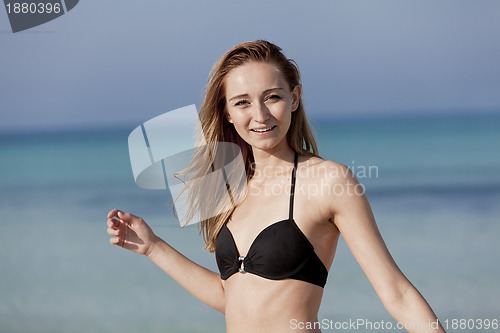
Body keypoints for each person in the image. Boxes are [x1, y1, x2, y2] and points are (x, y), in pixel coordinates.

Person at [106, 40, 445, 333]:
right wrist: (153, 247)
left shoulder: (329, 181)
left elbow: (396, 293)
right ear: (226, 112)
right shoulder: (225, 184)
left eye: (271, 97)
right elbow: (233, 300)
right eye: (242, 102)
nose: (260, 115)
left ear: (294, 98)